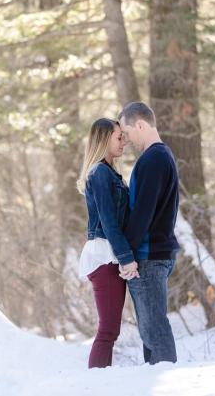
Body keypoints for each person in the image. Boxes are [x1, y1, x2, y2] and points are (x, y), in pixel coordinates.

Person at [118, 101, 181, 365]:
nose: (126, 139)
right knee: (149, 332)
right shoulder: (160, 155)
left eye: (127, 132)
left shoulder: (153, 158)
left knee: (155, 331)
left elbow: (143, 212)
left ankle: (167, 382)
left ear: (140, 125)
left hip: (148, 256)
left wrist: (127, 255)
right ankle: (155, 379)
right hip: (154, 253)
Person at [76, 118, 136, 368]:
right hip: (105, 255)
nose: (124, 141)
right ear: (104, 140)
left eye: (124, 136)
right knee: (108, 331)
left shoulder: (109, 171)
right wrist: (127, 258)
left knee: (110, 331)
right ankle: (95, 385)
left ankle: (101, 382)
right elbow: (109, 222)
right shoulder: (100, 172)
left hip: (110, 255)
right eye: (118, 137)